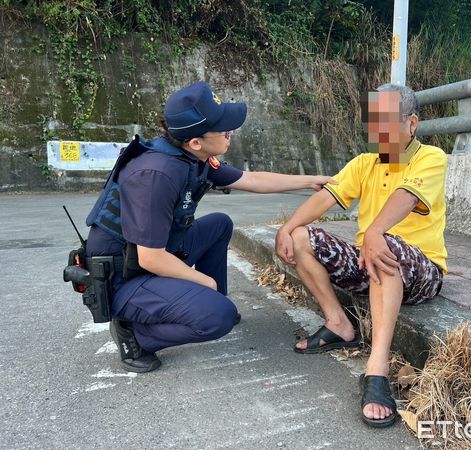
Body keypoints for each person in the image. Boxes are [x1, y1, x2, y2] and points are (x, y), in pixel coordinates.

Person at [84, 81, 334, 373]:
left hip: (151, 258)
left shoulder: (191, 157)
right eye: (223, 128)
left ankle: (206, 302)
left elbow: (250, 180)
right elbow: (149, 257)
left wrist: (311, 180)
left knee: (219, 224)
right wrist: (205, 282)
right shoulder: (156, 174)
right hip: (124, 279)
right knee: (218, 318)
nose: (230, 132)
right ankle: (136, 335)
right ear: (196, 141)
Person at [274, 85, 447, 428]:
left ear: (411, 124)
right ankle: (338, 323)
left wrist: (373, 232)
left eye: (386, 123)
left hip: (420, 269)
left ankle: (377, 369)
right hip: (369, 260)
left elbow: (406, 197)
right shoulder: (364, 163)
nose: (377, 132)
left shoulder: (431, 157)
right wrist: (286, 226)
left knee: (386, 244)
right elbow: (326, 199)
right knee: (299, 237)